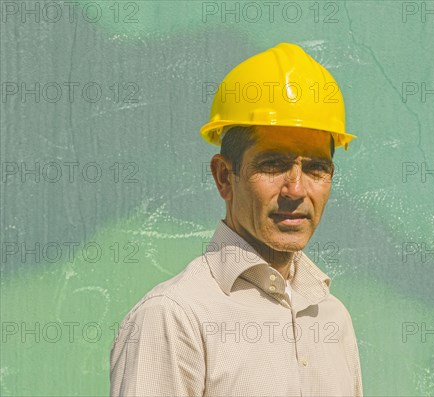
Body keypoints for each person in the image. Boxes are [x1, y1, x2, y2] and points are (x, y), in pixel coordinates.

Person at [110, 42, 363, 396]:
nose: (295, 189)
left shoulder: (332, 318)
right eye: (273, 164)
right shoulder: (173, 318)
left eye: (316, 168)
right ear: (224, 176)